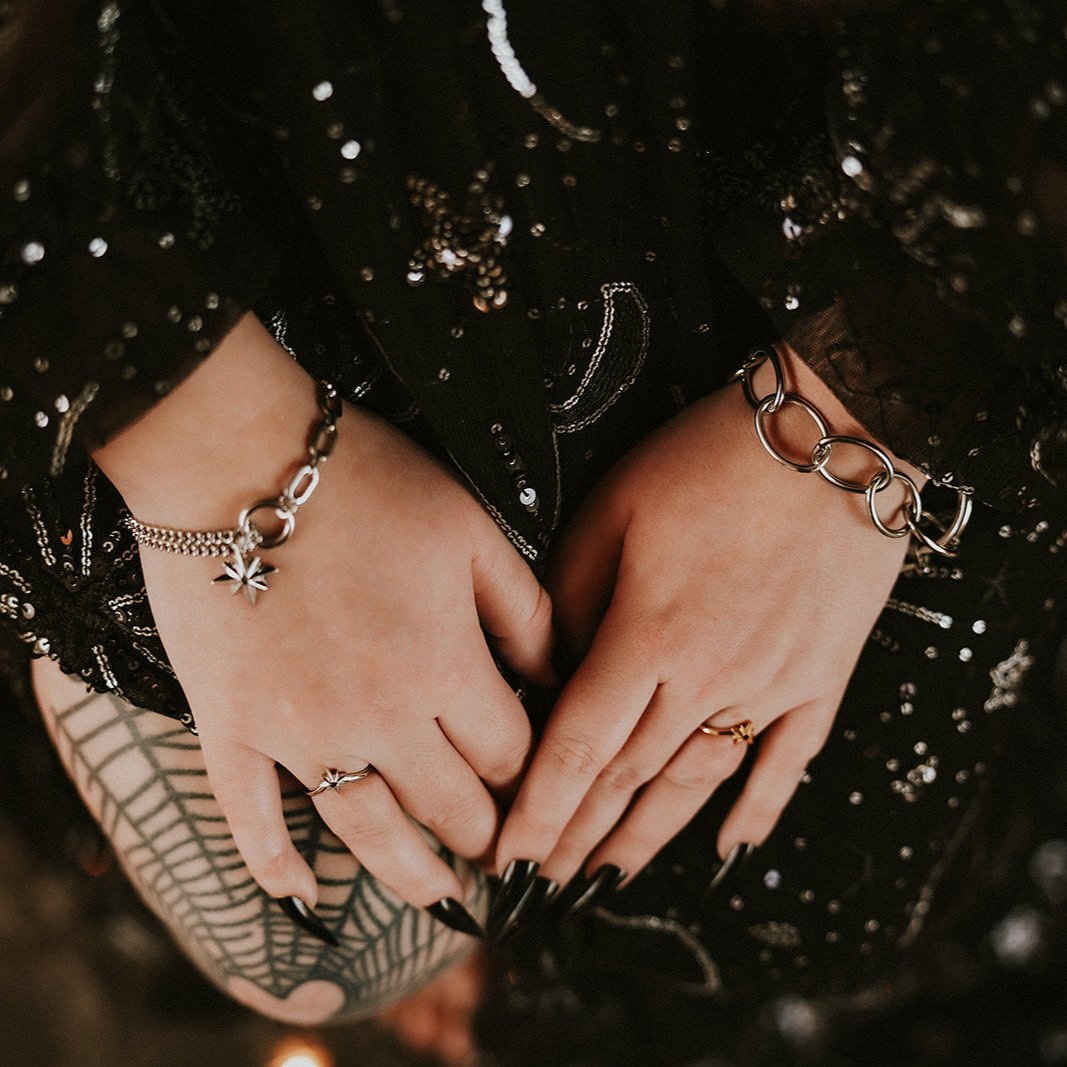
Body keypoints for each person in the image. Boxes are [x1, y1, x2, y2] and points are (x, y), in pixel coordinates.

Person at [3, 0, 1067, 1059]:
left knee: (803, 883)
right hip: (190, 172)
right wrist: (206, 441)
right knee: (328, 947)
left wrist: (858, 402)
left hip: (847, 147)